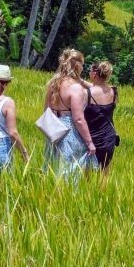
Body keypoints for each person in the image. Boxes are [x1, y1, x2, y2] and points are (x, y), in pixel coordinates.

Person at [43, 49, 97, 178]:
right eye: (82, 64)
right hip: (70, 132)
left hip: (54, 130)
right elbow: (78, 118)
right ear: (77, 65)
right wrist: (90, 143)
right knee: (70, 171)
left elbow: (46, 110)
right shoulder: (75, 88)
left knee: (53, 168)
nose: (83, 68)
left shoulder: (53, 83)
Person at [83, 61, 119, 173]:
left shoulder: (86, 93)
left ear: (94, 74)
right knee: (104, 174)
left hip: (90, 138)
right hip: (108, 137)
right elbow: (100, 88)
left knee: (86, 176)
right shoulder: (114, 92)